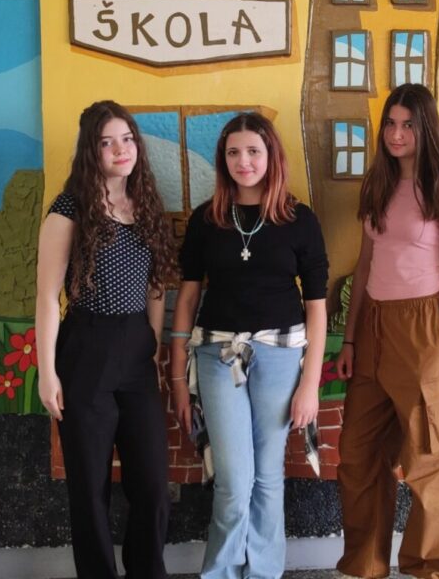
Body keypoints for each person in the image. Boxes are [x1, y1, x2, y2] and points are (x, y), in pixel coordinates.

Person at [169, 112, 328, 579]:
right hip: (217, 356)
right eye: (233, 152)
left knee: (268, 477)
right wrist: (177, 378)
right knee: (234, 481)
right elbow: (188, 298)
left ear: (271, 155)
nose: (244, 162)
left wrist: (310, 385)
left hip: (281, 356)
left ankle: (263, 572)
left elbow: (316, 308)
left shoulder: (300, 220)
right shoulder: (207, 219)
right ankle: (220, 572)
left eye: (253, 151)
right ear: (223, 159)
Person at [335, 83, 439, 579]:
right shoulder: (377, 185)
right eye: (390, 124)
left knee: (432, 461)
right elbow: (364, 265)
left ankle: (435, 569)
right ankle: (365, 565)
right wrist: (350, 338)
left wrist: (436, 351)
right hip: (373, 326)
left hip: (425, 325)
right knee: (358, 454)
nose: (396, 134)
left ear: (426, 128)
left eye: (408, 125)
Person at [35, 100, 177, 579]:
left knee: (152, 486)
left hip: (136, 352)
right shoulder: (69, 209)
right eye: (107, 142)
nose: (121, 149)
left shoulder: (146, 205)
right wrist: (47, 373)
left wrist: (152, 341)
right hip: (85, 350)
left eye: (127, 139)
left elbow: (156, 284)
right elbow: (48, 297)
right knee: (90, 488)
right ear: (90, 151)